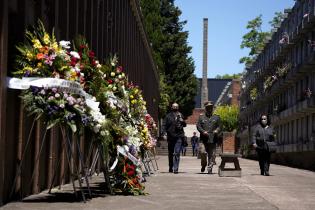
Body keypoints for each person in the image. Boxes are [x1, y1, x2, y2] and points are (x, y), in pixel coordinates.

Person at [196, 101, 221, 174]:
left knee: (212, 154)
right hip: (203, 139)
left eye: (211, 107)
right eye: (208, 107)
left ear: (212, 108)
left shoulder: (217, 117)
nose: (209, 108)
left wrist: (217, 130)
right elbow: (198, 126)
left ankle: (209, 168)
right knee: (203, 152)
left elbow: (220, 126)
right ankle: (203, 164)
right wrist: (203, 131)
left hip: (213, 139)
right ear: (205, 108)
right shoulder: (201, 117)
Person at [162, 103, 186, 174]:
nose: (175, 107)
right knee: (171, 153)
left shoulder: (181, 115)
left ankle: (176, 168)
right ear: (171, 107)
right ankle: (171, 166)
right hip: (171, 136)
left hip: (179, 136)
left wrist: (182, 121)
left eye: (176, 106)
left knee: (177, 153)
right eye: (174, 106)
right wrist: (164, 133)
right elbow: (164, 125)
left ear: (178, 107)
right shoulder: (168, 116)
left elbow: (184, 125)